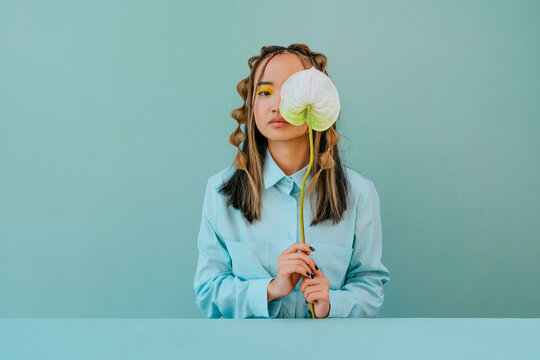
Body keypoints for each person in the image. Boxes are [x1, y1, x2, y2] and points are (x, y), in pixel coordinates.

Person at [193, 44, 390, 318]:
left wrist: (331, 304)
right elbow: (208, 291)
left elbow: (370, 287)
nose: (276, 105)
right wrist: (271, 289)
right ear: (252, 106)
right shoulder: (220, 192)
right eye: (264, 92)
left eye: (290, 91)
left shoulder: (359, 194)